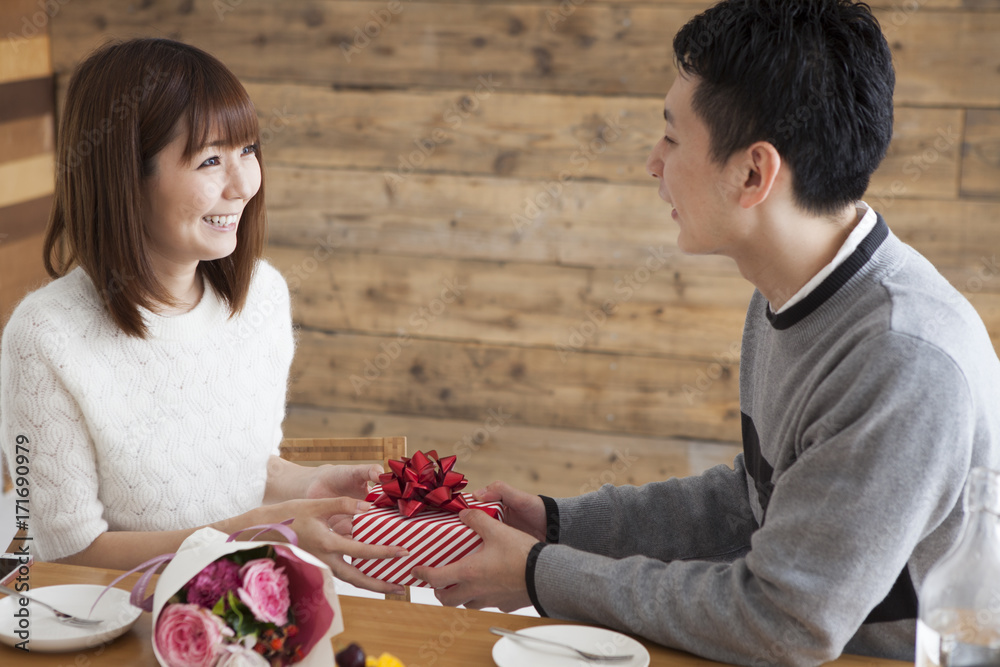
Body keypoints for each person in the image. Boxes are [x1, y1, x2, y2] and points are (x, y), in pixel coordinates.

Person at [413, 1, 1000, 664]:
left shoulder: (901, 358)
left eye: (671, 137)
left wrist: (538, 572)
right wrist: (559, 525)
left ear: (754, 173)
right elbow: (755, 502)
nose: (652, 162)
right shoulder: (793, 284)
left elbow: (784, 621)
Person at [0, 38, 406, 595]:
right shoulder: (45, 336)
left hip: (249, 602)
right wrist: (266, 530)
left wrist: (304, 484)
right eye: (211, 159)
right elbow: (66, 555)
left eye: (248, 151)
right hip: (123, 625)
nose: (243, 185)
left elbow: (231, 470)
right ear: (124, 177)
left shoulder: (262, 296)